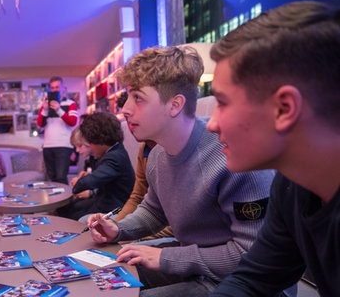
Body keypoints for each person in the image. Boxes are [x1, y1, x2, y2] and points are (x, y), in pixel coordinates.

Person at [85, 46, 276, 297]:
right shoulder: (157, 156)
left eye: (138, 97)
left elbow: (251, 255)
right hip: (197, 264)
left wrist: (167, 257)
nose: (126, 109)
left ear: (175, 105)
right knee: (99, 276)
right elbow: (154, 210)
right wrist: (119, 229)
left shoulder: (234, 155)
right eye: (128, 96)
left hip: (245, 282)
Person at [206, 1, 340, 297]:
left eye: (222, 102)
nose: (211, 124)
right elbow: (252, 281)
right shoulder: (292, 185)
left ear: (284, 108)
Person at [56, 112, 134, 222]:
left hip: (114, 207)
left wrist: (77, 186)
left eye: (90, 143)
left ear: (99, 140)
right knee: (69, 210)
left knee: (74, 218)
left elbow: (89, 182)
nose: (90, 147)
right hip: (104, 202)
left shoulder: (114, 158)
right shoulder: (115, 151)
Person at [36, 76, 78, 184]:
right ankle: (54, 200)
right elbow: (40, 124)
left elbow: (73, 122)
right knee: (51, 179)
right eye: (52, 88)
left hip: (64, 145)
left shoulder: (71, 103)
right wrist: (45, 110)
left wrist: (58, 109)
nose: (55, 90)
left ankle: (66, 201)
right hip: (48, 146)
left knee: (61, 177)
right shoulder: (45, 105)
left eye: (57, 87)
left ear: (64, 88)